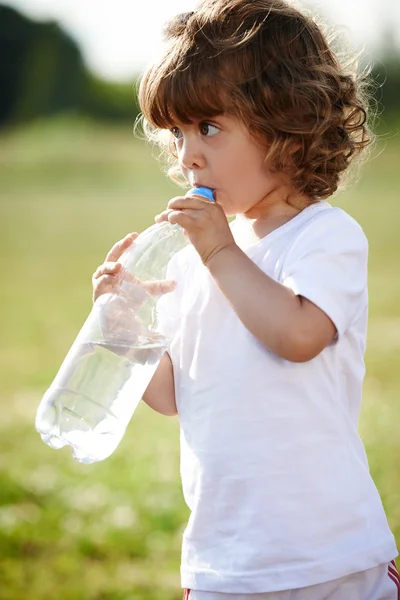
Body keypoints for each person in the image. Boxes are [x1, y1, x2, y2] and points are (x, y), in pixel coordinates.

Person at [92, 0, 399, 598]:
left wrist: (220, 253)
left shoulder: (323, 237)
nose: (188, 156)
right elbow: (172, 394)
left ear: (287, 123)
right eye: (176, 134)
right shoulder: (192, 258)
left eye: (209, 127)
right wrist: (123, 319)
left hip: (329, 555)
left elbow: (299, 335)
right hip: (225, 559)